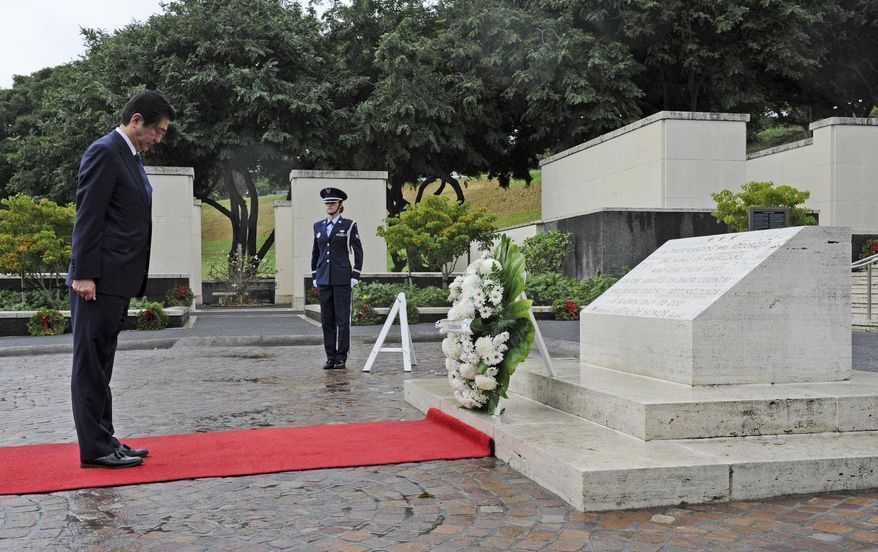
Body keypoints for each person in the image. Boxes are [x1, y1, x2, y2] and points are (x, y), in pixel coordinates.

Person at [67, 90, 176, 469]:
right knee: (90, 364)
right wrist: (83, 274)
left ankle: (105, 438)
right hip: (97, 280)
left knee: (103, 361)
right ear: (136, 120)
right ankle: (94, 449)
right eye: (157, 131)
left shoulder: (129, 157)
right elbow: (88, 215)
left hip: (116, 280)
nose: (158, 139)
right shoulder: (105, 151)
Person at [311, 187, 364, 370]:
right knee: (327, 320)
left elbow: (358, 251)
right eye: (327, 203)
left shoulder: (349, 225)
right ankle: (330, 356)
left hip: (342, 279)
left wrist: (355, 274)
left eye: (332, 203)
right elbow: (315, 253)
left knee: (342, 320)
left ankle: (341, 356)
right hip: (324, 279)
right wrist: (314, 275)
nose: (329, 205)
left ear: (340, 205)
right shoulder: (318, 226)